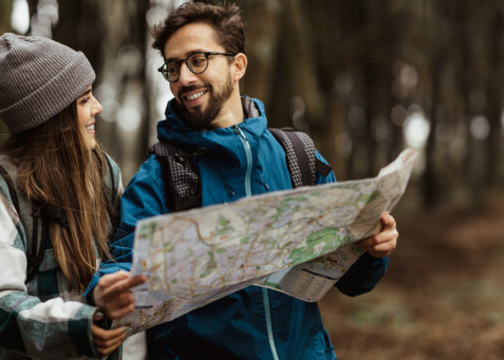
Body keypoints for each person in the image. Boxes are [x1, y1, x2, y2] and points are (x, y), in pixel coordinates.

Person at [88, 2, 399, 358]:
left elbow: (353, 281)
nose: (185, 78)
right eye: (173, 67)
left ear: (238, 65)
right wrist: (103, 294)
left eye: (198, 59)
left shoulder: (298, 155)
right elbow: (122, 265)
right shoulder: (160, 175)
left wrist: (373, 250)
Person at [0, 33, 145, 359]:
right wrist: (77, 326)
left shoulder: (105, 173)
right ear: (52, 118)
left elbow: (125, 257)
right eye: (84, 100)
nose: (98, 107)